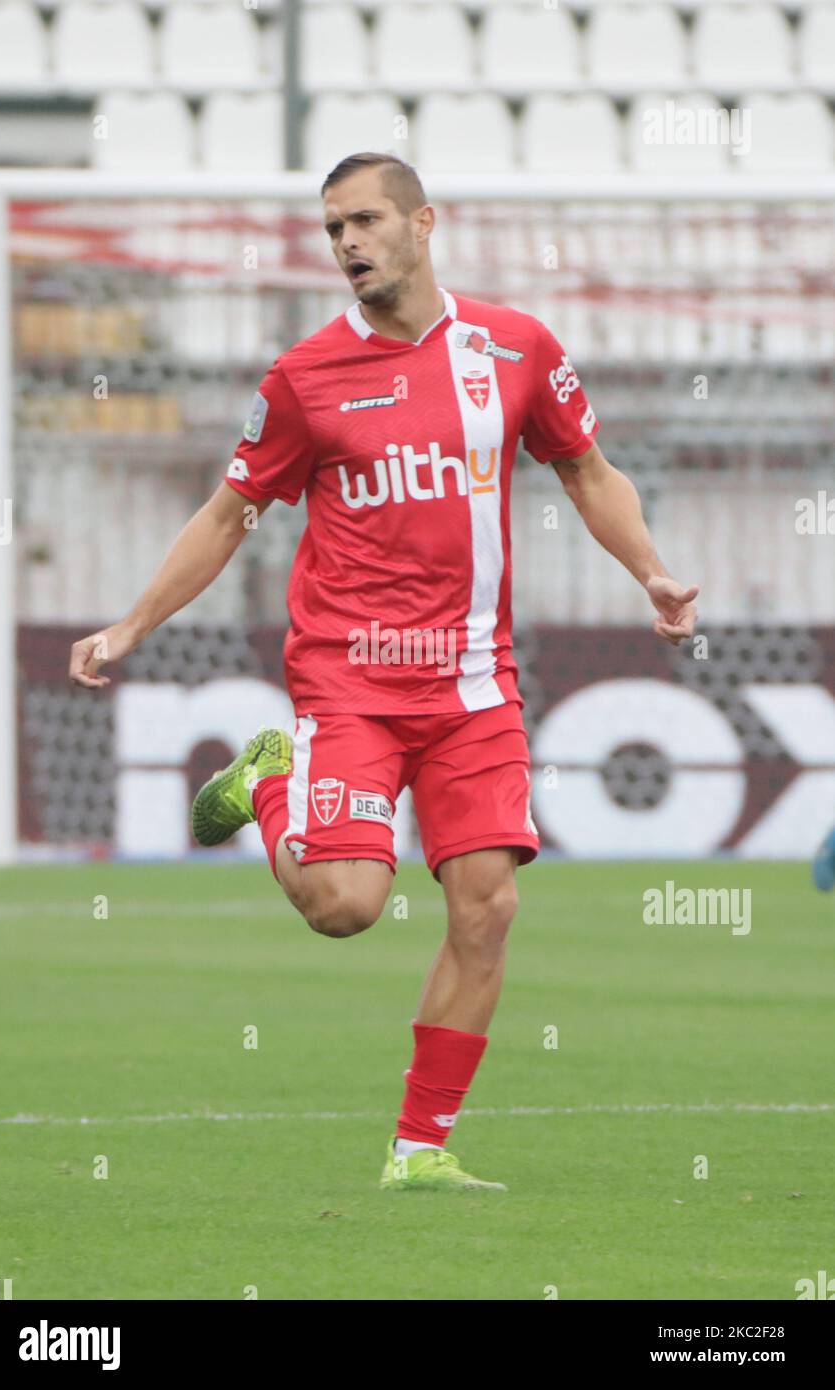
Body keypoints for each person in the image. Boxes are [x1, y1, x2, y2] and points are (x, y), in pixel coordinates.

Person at [70, 153, 699, 1191]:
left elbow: (585, 468)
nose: (348, 244)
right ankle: (267, 779)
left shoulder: (513, 348)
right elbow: (230, 513)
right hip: (350, 683)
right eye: (331, 230)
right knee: (344, 905)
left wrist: (651, 571)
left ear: (422, 222)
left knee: (485, 905)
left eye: (364, 220)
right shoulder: (304, 377)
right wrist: (133, 622)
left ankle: (419, 1150)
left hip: (473, 684)